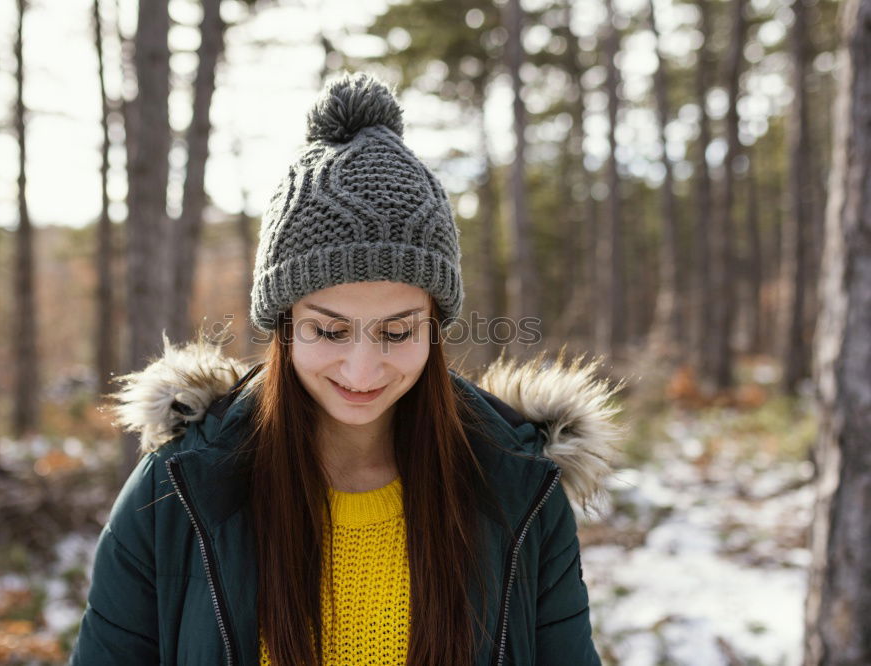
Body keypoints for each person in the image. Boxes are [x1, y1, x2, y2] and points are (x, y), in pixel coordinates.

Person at [69, 71, 621, 666]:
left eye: (398, 331)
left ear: (435, 328)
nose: (362, 370)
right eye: (329, 330)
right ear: (283, 326)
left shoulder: (518, 487)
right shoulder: (177, 490)